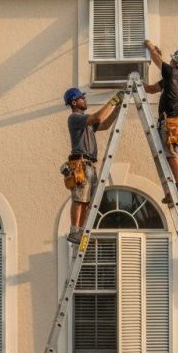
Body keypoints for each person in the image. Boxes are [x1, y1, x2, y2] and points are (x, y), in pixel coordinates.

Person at [63, 86, 123, 243]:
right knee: (79, 198)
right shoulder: (75, 118)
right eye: (82, 98)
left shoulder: (86, 123)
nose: (85, 100)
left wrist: (117, 108)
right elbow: (98, 117)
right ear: (74, 102)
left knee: (87, 201)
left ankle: (81, 230)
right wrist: (114, 100)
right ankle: (74, 230)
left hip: (89, 164)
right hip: (80, 164)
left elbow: (104, 124)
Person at [143, 39, 178, 204]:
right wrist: (137, 85)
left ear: (175, 62)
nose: (169, 61)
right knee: (167, 156)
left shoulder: (172, 73)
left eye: (172, 60)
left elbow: (158, 61)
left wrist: (150, 47)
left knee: (171, 155)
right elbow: (151, 89)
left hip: (170, 122)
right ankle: (174, 191)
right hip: (174, 122)